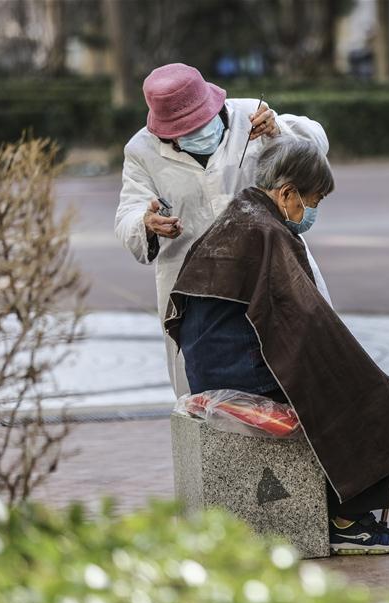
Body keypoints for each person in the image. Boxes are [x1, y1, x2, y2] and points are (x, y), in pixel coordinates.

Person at [164, 137, 389, 555]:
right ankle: (349, 520)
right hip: (245, 370)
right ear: (286, 193)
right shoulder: (267, 231)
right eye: (313, 200)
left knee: (347, 381)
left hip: (211, 365)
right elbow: (307, 320)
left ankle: (341, 510)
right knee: (369, 392)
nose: (312, 211)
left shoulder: (233, 219)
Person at [114, 63, 330, 397]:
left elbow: (315, 146)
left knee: (301, 377)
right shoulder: (141, 151)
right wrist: (146, 222)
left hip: (271, 272)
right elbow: (128, 212)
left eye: (200, 123)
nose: (195, 132)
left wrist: (278, 133)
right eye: (182, 130)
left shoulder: (252, 116)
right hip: (199, 294)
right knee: (213, 396)